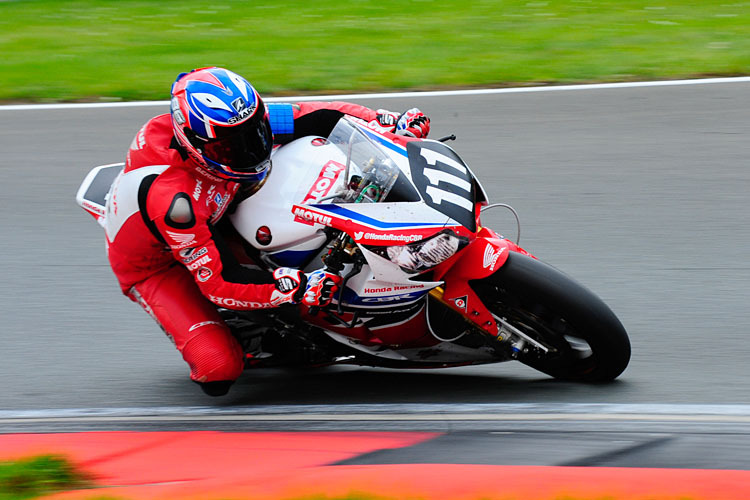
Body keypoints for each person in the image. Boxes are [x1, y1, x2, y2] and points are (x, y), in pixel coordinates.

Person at [104, 67, 430, 396]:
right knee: (217, 369)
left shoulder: (231, 123)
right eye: (232, 146)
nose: (251, 148)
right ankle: (258, 338)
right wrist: (298, 288)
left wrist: (383, 121)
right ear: (195, 144)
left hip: (222, 209)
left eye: (255, 131)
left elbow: (317, 116)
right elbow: (220, 281)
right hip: (161, 263)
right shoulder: (176, 203)